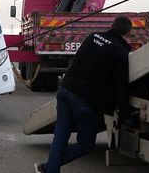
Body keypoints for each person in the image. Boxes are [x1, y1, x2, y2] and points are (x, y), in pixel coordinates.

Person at [34, 16, 134, 173]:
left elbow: (78, 60)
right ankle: (47, 167)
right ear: (127, 34)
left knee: (59, 140)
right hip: (84, 101)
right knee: (86, 144)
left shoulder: (93, 36)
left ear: (112, 26)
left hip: (66, 90)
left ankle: (48, 168)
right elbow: (120, 87)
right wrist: (125, 114)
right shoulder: (120, 53)